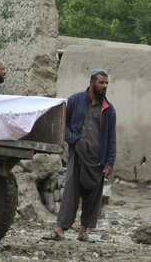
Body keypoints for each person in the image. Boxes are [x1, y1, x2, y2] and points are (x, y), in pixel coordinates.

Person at [43, 69, 116, 243]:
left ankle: (83, 232)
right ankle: (60, 229)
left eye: (106, 83)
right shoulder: (75, 100)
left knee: (93, 195)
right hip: (78, 154)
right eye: (101, 82)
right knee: (70, 191)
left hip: (97, 158)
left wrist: (109, 162)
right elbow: (64, 124)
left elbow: (112, 137)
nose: (104, 86)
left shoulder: (108, 109)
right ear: (92, 83)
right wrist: (75, 140)